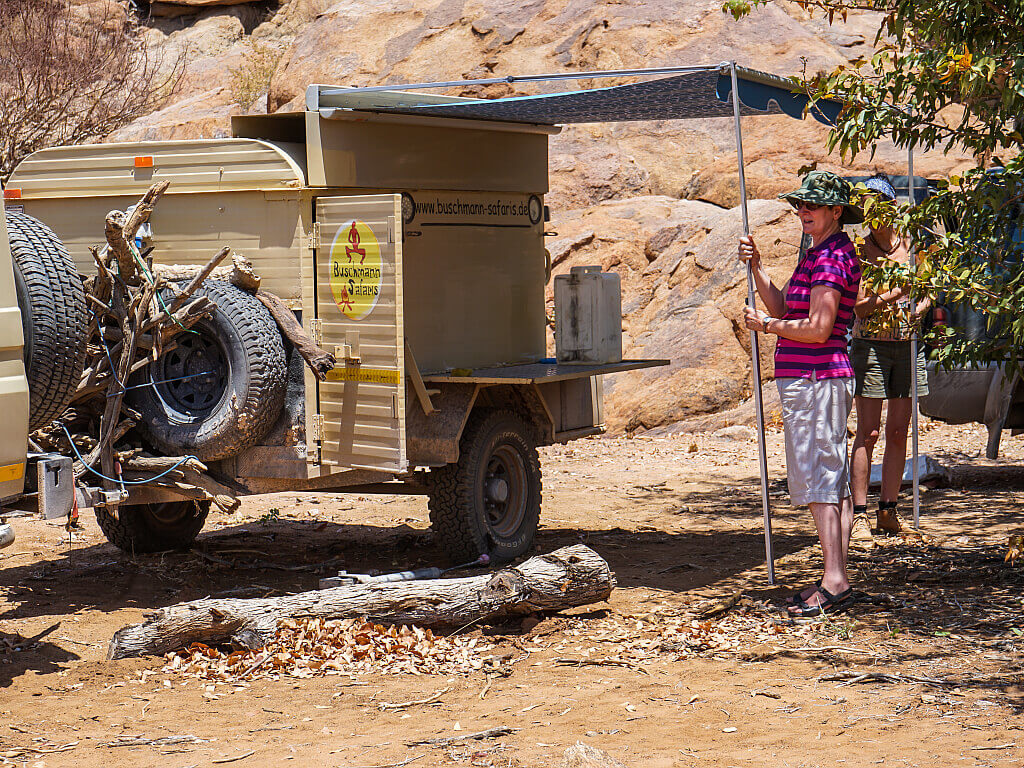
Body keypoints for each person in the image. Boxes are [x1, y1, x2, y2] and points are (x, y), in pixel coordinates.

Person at [738, 170, 863, 617]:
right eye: (799, 205)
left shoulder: (831, 258)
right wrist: (757, 267)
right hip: (814, 380)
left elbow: (817, 328)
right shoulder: (817, 253)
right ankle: (834, 577)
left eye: (812, 205)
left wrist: (767, 328)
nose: (802, 211)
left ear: (836, 211)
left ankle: (834, 581)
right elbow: (785, 306)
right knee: (828, 478)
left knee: (820, 479)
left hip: (817, 378)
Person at [850, 173, 929, 534]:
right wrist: (896, 295)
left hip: (908, 345)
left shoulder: (913, 247)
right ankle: (859, 513)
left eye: (877, 203)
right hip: (872, 346)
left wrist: (921, 307)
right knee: (868, 433)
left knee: (899, 430)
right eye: (866, 205)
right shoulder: (858, 251)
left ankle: (889, 511)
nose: (872, 211)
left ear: (891, 205)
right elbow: (859, 309)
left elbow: (928, 291)